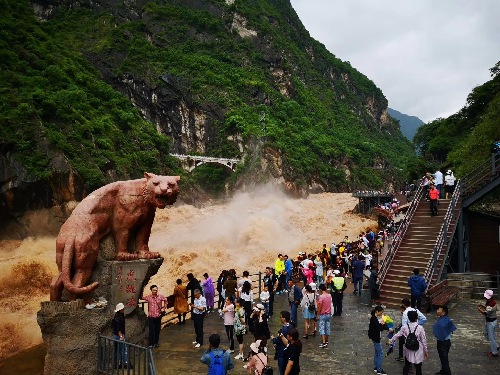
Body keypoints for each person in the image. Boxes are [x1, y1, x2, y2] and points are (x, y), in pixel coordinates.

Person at [390, 310, 428, 375]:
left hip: (408, 348)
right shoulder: (420, 328)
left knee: (407, 365)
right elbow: (423, 340)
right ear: (417, 318)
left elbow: (398, 335)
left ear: (408, 318)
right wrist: (425, 350)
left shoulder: (405, 327)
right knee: (418, 368)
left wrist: (391, 340)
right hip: (418, 349)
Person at [432, 305, 457, 375]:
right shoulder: (446, 319)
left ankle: (447, 372)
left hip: (443, 342)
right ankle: (443, 371)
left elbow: (439, 329)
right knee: (443, 358)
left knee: (444, 359)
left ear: (443, 313)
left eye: (439, 310)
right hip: (446, 342)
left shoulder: (442, 321)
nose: (437, 311)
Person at [477, 289, 498, 357]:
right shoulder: (490, 302)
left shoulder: (492, 303)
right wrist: (482, 306)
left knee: (492, 338)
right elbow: (487, 308)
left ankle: (494, 352)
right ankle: (495, 345)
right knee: (485, 333)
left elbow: (485, 313)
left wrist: (479, 309)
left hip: (491, 322)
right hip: (490, 321)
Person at [368, 305, 388, 375]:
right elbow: (378, 328)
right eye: (381, 313)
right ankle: (379, 369)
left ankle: (376, 367)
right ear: (377, 312)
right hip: (376, 338)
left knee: (377, 352)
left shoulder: (374, 318)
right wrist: (385, 326)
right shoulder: (374, 318)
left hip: (374, 337)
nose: (381, 314)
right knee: (380, 353)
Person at [112, 302, 132, 369]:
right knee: (123, 349)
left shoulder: (117, 317)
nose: (123, 310)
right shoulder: (118, 318)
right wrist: (121, 336)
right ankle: (126, 363)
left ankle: (119, 363)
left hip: (116, 335)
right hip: (119, 336)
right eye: (122, 309)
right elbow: (118, 329)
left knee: (118, 350)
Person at [272, 310, 292, 375]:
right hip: (288, 352)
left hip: (282, 352)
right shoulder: (291, 326)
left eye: (281, 317)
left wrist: (273, 339)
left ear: (284, 318)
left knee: (282, 370)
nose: (280, 318)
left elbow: (279, 340)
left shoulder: (284, 329)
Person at [317, 283, 332, 348]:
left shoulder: (321, 297)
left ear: (320, 289)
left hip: (323, 314)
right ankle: (326, 340)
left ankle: (323, 342)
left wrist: (318, 314)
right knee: (327, 327)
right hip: (328, 313)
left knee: (322, 328)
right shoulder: (329, 295)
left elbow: (320, 306)